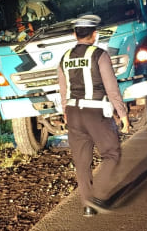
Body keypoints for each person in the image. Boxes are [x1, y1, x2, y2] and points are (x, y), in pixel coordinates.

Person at [56, 14, 131, 217]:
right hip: (95, 111)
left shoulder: (65, 58)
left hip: (73, 113)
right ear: (94, 35)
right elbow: (111, 87)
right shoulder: (99, 55)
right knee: (112, 152)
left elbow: (63, 90)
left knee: (82, 161)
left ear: (75, 34)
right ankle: (98, 195)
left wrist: (65, 113)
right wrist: (122, 114)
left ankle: (88, 205)